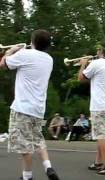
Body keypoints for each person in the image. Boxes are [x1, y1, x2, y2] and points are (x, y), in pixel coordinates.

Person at [0, 29, 59, 180]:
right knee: (37, 139)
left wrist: (10, 52)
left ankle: (27, 177)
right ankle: (48, 167)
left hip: (22, 108)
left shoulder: (25, 54)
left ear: (32, 42)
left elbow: (3, 64)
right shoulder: (49, 59)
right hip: (38, 109)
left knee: (24, 145)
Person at [78, 40, 105, 176]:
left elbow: (81, 78)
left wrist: (83, 65)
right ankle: (98, 162)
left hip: (98, 105)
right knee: (103, 133)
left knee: (101, 136)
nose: (96, 52)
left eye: (98, 49)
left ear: (101, 50)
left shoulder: (96, 63)